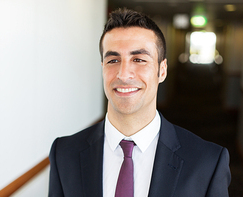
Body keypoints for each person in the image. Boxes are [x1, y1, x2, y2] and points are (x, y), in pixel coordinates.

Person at [48, 8, 231, 197]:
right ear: (102, 67)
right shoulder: (64, 154)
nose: (123, 74)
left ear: (162, 71)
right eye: (113, 60)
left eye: (138, 59)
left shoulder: (207, 162)